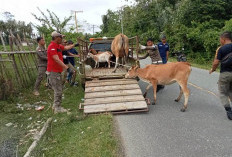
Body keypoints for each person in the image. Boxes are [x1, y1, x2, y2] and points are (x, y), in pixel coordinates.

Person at [47, 31, 76, 113]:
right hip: (53, 72)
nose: (62, 39)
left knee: (58, 89)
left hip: (57, 71)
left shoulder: (58, 46)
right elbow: (56, 59)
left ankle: (55, 106)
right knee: (58, 90)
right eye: (61, 38)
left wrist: (75, 45)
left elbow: (66, 48)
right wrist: (66, 68)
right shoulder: (52, 47)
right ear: (56, 38)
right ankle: (57, 108)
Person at [209, 31, 232, 120]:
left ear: (224, 39)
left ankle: (229, 111)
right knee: (231, 91)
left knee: (223, 92)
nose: (220, 41)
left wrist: (213, 69)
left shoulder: (221, 49)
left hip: (225, 74)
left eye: (220, 39)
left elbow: (216, 62)